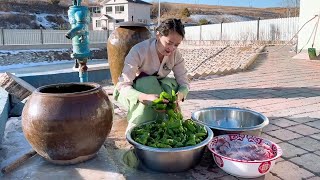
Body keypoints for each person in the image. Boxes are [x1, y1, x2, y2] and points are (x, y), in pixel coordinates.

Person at [113, 18, 189, 131]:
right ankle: (140, 126)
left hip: (157, 87)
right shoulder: (139, 50)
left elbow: (184, 82)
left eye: (176, 45)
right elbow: (123, 85)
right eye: (169, 43)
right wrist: (144, 97)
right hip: (137, 89)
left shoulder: (176, 55)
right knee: (147, 83)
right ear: (158, 35)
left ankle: (167, 124)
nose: (172, 49)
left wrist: (179, 96)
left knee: (171, 86)